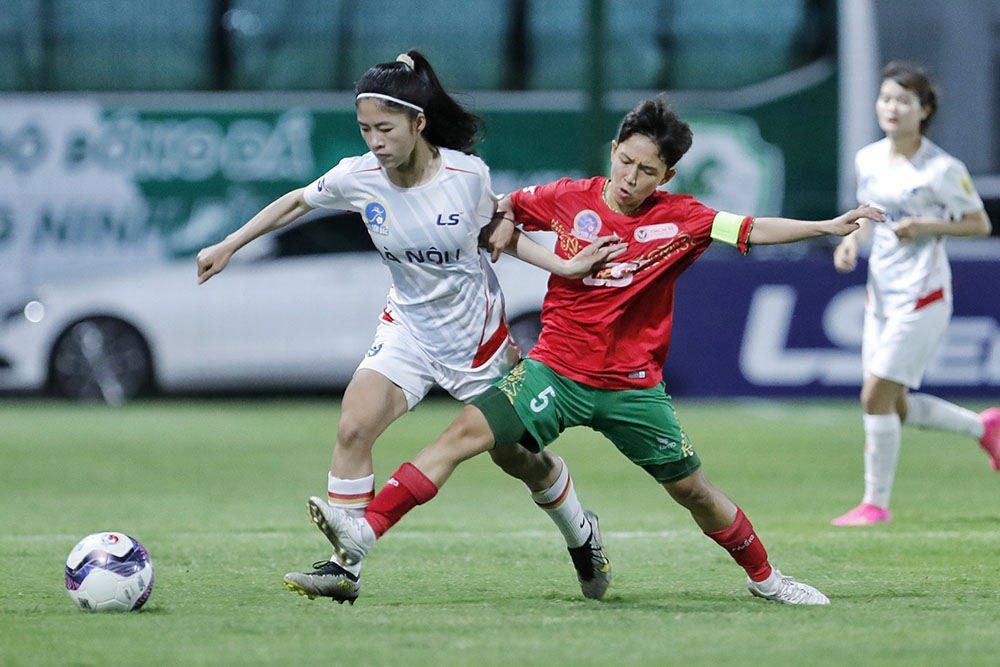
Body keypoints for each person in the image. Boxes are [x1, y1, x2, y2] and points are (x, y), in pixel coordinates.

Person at [305, 94, 885, 605]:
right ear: (613, 149)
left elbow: (753, 229)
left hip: (632, 387)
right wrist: (505, 221)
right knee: (460, 438)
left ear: (668, 176)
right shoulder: (566, 198)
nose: (631, 177)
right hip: (552, 372)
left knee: (693, 491)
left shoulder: (684, 220)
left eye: (647, 171)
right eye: (625, 161)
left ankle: (768, 579)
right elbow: (498, 203)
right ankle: (363, 535)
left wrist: (829, 226)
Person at [196, 51, 625, 604]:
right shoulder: (358, 177)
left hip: (478, 341)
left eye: (385, 128)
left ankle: (580, 533)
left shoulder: (466, 176)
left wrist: (564, 265)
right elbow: (296, 203)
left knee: (518, 458)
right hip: (409, 330)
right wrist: (230, 244)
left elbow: (502, 232)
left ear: (418, 123)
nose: (375, 141)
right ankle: (342, 567)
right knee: (354, 424)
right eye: (365, 129)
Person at [829, 61, 998, 527]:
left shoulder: (942, 169)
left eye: (903, 100)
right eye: (886, 98)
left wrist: (926, 226)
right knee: (893, 406)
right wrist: (851, 241)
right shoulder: (868, 158)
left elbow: (979, 223)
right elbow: (869, 215)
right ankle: (983, 427)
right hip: (879, 298)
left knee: (873, 396)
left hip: (923, 297)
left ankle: (875, 505)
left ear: (924, 111)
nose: (892, 107)